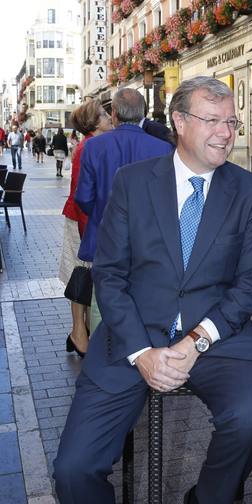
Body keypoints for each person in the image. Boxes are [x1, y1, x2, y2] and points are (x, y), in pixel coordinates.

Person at [51, 76, 252, 504]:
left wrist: (197, 340)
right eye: (212, 121)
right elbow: (111, 274)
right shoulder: (133, 183)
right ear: (178, 122)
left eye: (231, 122)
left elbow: (251, 284)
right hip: (134, 338)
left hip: (214, 338)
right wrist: (142, 353)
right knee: (73, 468)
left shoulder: (248, 191)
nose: (225, 133)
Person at [74, 88, 174, 333]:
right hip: (149, 241)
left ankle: (101, 348)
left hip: (104, 237)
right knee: (143, 299)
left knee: (102, 301)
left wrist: (101, 213)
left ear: (115, 113)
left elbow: (83, 197)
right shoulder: (163, 149)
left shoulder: (93, 147)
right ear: (143, 113)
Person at [59, 101, 112, 359]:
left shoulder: (95, 143)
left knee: (86, 276)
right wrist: (86, 232)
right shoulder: (86, 147)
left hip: (89, 220)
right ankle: (78, 333)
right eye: (103, 114)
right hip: (82, 221)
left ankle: (85, 331)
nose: (109, 116)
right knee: (80, 274)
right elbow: (82, 193)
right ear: (93, 122)